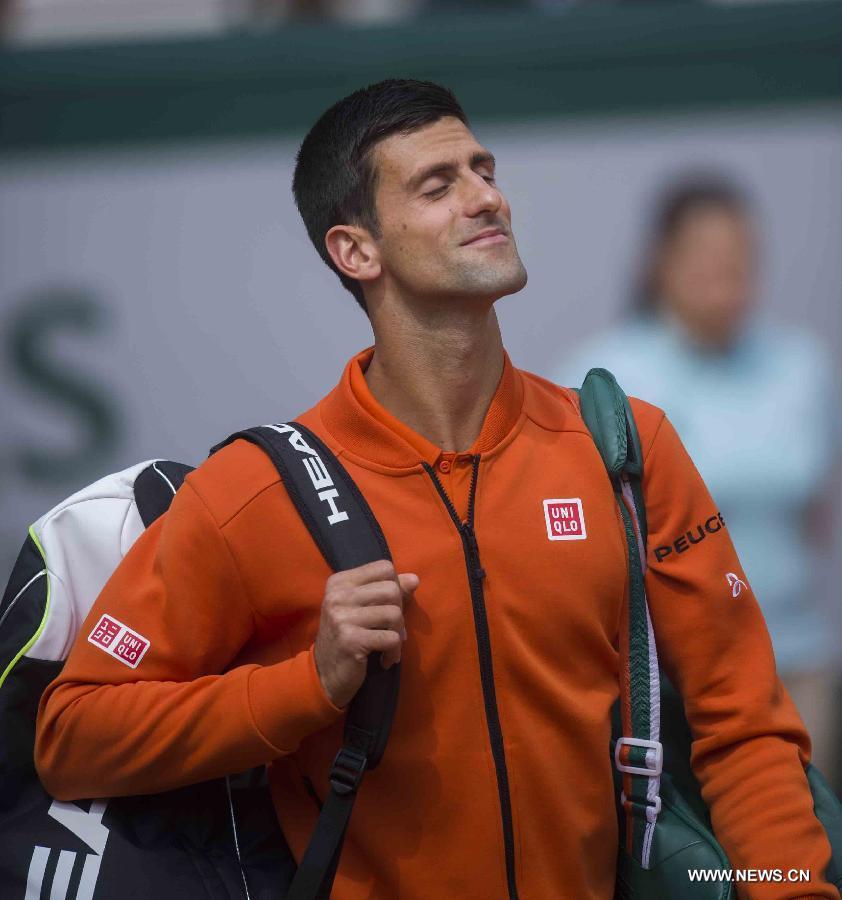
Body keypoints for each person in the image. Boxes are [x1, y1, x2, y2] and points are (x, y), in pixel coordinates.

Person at [35, 81, 838, 899]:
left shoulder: (625, 450)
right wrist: (307, 683)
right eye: (438, 183)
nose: (486, 196)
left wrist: (794, 890)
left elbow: (742, 730)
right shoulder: (257, 489)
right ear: (356, 251)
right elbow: (73, 735)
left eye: (483, 169)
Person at [553, 174, 840, 790]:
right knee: (701, 869)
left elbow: (815, 510)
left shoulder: (802, 364)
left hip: (795, 654)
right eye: (706, 257)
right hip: (670, 678)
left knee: (806, 849)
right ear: (661, 264)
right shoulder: (605, 375)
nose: (726, 274)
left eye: (740, 258)